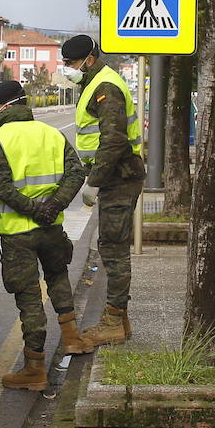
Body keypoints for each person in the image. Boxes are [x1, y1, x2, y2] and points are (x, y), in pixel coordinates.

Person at [0, 80, 92, 392]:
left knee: (29, 297)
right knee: (57, 276)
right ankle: (72, 338)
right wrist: (53, 205)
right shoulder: (51, 134)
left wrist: (32, 210)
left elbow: (2, 188)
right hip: (51, 228)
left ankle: (34, 367)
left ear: (2, 107)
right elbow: (76, 172)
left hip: (19, 233)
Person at [59, 35, 145, 347]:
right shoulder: (95, 84)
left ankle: (112, 321)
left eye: (70, 63)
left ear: (89, 59)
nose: (67, 68)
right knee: (111, 245)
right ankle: (119, 320)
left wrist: (95, 181)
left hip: (119, 177)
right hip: (116, 176)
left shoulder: (105, 88)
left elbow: (113, 139)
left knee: (113, 249)